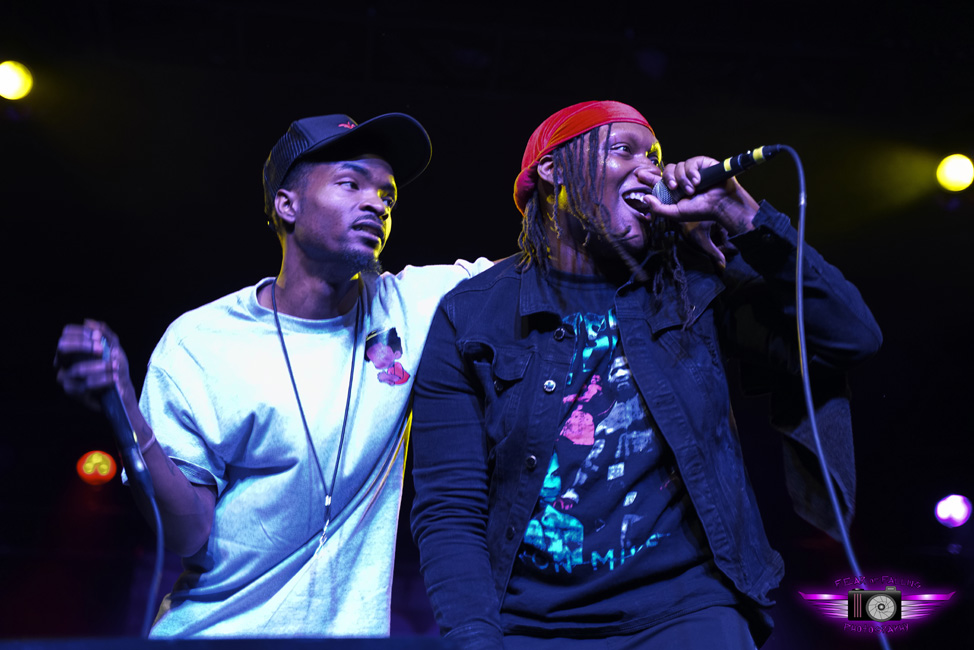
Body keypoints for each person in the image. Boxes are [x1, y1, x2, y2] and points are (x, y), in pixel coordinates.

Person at [408, 101, 882, 649]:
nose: (649, 169)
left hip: (689, 610)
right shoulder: (472, 315)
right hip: (531, 626)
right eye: (623, 150)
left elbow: (850, 336)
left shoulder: (694, 286)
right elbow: (449, 508)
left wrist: (741, 215)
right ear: (552, 170)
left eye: (654, 156)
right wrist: (474, 637)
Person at [54, 112, 490, 637]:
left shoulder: (412, 305)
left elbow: (533, 272)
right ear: (287, 205)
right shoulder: (202, 342)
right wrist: (123, 409)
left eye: (387, 196)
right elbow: (188, 534)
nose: (376, 203)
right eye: (351, 184)